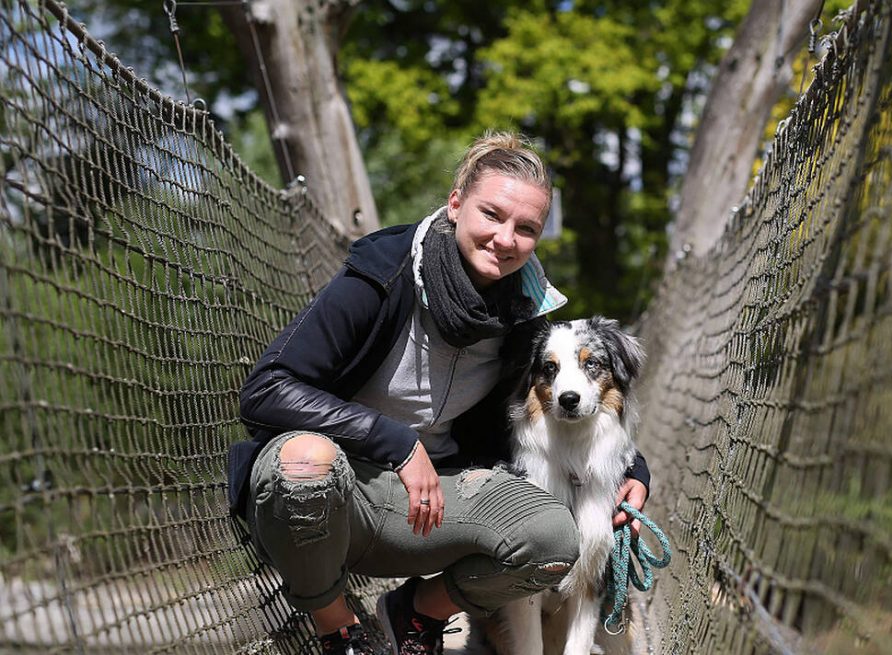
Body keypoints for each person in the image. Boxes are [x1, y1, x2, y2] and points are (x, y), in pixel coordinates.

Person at [226, 132, 651, 655]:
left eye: (526, 228)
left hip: (438, 500)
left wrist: (635, 472)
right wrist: (394, 442)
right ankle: (341, 633)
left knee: (556, 539)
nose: (504, 238)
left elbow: (564, 400)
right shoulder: (382, 272)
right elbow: (265, 389)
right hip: (340, 493)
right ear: (455, 203)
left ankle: (417, 612)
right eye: (491, 214)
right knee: (302, 463)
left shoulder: (526, 312)